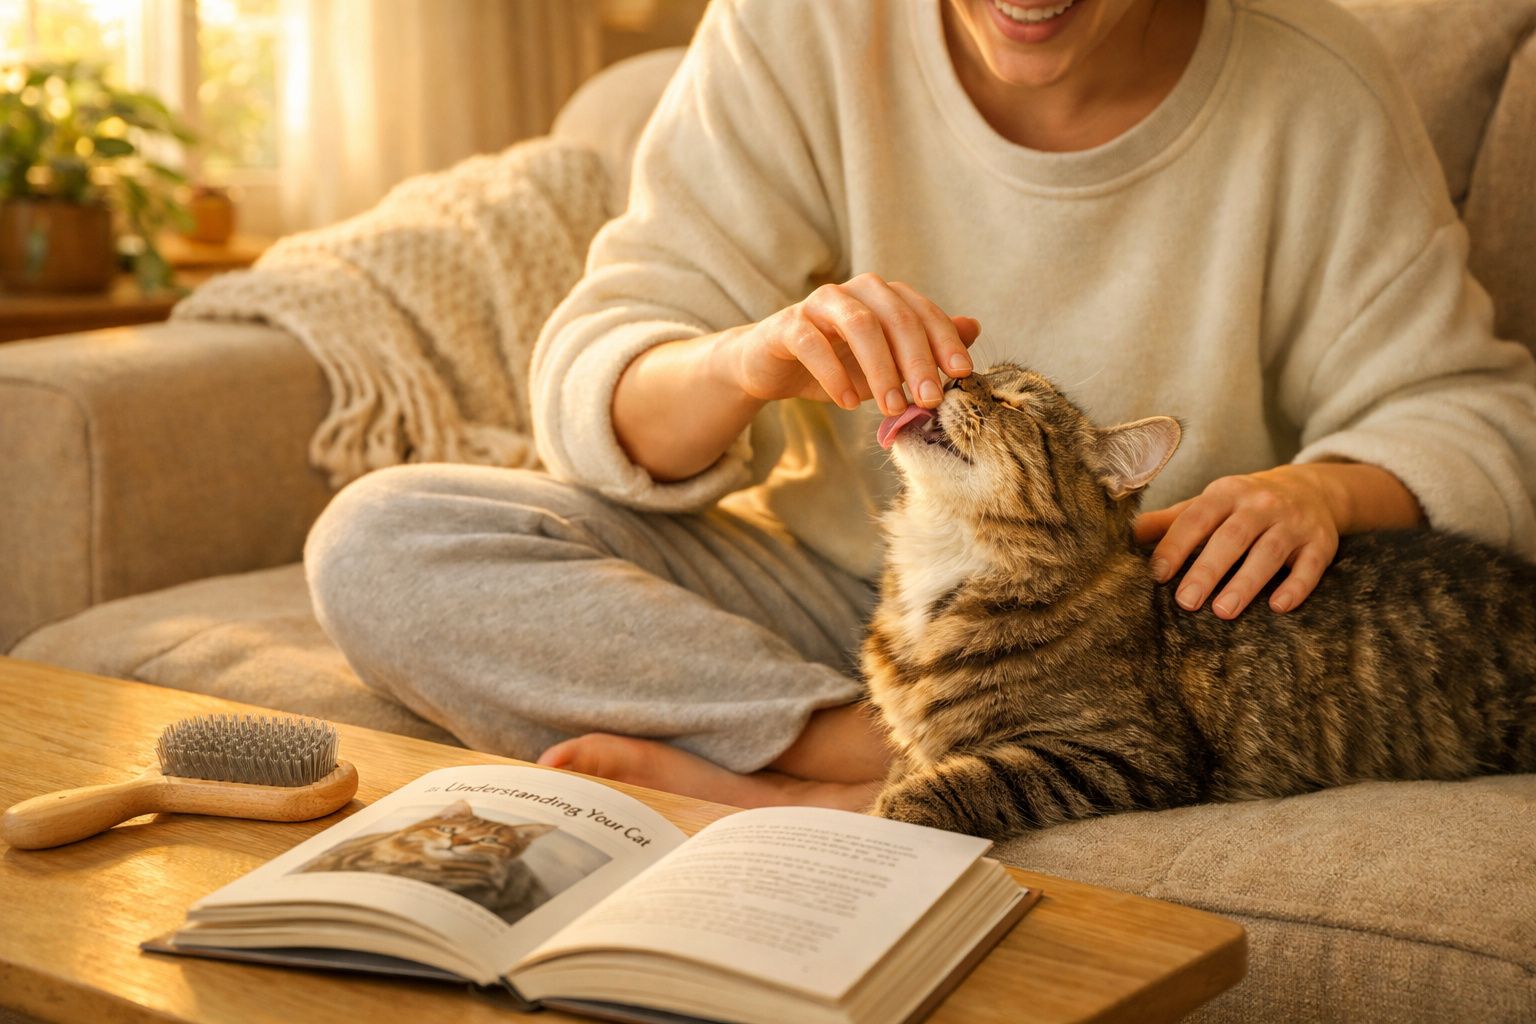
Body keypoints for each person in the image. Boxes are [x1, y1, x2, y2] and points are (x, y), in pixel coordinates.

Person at [305, 0, 1536, 812]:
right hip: (837, 584)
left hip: (1111, 644)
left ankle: (873, 779)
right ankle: (860, 753)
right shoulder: (796, 28)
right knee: (384, 538)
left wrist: (1325, 486)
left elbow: (1476, 414)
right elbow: (597, 376)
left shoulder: (1313, 84)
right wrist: (744, 362)